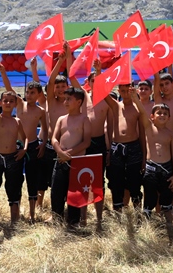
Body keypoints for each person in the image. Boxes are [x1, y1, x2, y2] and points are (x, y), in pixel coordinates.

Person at [65, 48, 112, 230]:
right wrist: (68, 56)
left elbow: (110, 127)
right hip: (83, 144)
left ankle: (99, 220)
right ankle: (83, 219)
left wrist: (109, 149)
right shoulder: (83, 97)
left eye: (98, 80)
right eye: (93, 80)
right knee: (82, 181)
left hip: (99, 143)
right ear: (89, 83)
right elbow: (71, 76)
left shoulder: (107, 101)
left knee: (98, 183)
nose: (96, 83)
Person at [0, 63, 48, 223]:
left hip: (33, 147)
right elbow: (9, 88)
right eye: (27, 92)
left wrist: (43, 143)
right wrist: (3, 72)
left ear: (39, 94)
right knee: (15, 180)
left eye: (32, 93)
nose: (29, 95)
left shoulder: (40, 111)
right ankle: (16, 213)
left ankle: (32, 215)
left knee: (33, 180)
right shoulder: (20, 103)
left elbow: (45, 128)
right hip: (17, 146)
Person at [131, 90, 173, 242]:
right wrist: (135, 98)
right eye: (159, 113)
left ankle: (169, 229)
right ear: (152, 116)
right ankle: (146, 229)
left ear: (169, 117)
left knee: (166, 201)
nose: (162, 115)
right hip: (151, 169)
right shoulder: (149, 128)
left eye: (165, 113)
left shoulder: (171, 134)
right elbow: (142, 112)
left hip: (166, 170)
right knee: (149, 200)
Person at [0, 88, 27, 225]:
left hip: (13, 159)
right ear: (0, 103)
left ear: (15, 104)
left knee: (14, 189)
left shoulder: (17, 121)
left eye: (11, 101)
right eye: (5, 101)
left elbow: (25, 138)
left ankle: (14, 220)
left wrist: (24, 149)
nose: (8, 103)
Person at [51, 87, 91, 227]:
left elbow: (86, 142)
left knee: (74, 194)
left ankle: (73, 222)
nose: (65, 102)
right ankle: (57, 219)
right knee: (57, 192)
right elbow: (54, 138)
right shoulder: (61, 119)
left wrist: (69, 154)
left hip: (77, 162)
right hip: (60, 161)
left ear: (79, 102)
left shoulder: (84, 119)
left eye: (69, 99)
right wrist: (60, 152)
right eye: (65, 99)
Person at [104, 74, 144, 213]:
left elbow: (142, 135)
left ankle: (138, 214)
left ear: (132, 90)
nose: (125, 93)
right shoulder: (116, 106)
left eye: (128, 90)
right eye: (123, 91)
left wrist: (144, 156)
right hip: (117, 148)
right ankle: (118, 214)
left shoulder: (137, 108)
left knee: (135, 182)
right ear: (119, 91)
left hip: (134, 147)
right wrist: (98, 71)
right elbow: (103, 92)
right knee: (116, 183)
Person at [38, 54, 70, 211]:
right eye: (58, 87)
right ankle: (40, 206)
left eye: (63, 86)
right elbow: (50, 81)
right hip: (50, 148)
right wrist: (60, 62)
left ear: (68, 87)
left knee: (63, 183)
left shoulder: (72, 103)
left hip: (67, 149)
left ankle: (64, 208)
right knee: (43, 180)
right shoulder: (51, 102)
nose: (60, 89)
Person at [153, 72, 173, 211]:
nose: (164, 87)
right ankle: (159, 211)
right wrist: (156, 75)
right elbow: (155, 89)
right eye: (161, 85)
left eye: (167, 84)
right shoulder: (159, 102)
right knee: (159, 177)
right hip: (160, 142)